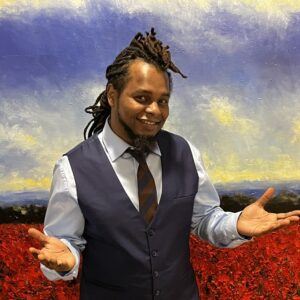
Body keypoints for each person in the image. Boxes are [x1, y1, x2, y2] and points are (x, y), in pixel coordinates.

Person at [28, 28, 300, 300]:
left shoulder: (185, 153)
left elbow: (204, 219)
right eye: (142, 98)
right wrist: (66, 260)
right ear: (112, 95)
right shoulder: (71, 169)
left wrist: (238, 223)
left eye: (163, 101)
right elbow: (64, 246)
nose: (155, 111)